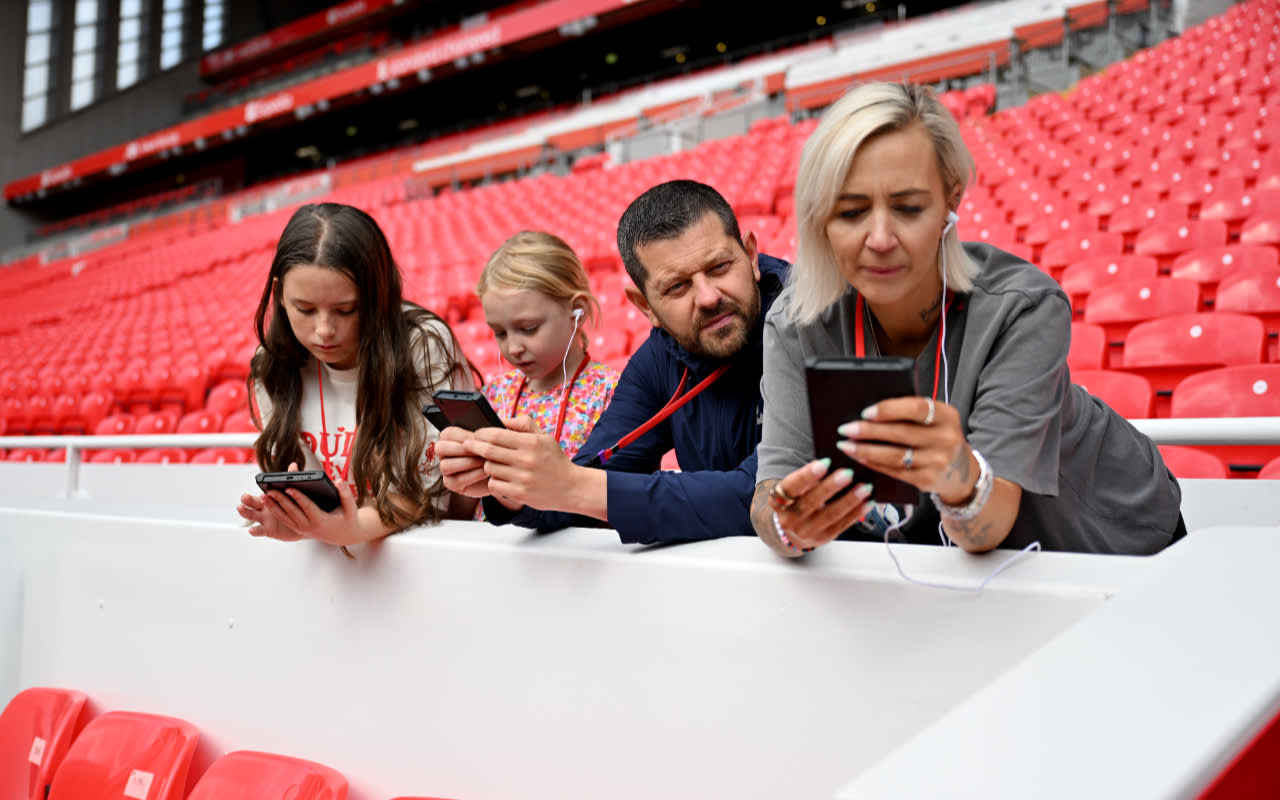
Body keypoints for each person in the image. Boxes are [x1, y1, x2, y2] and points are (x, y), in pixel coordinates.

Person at [751, 82, 1184, 557]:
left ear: (950, 202)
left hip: (1117, 543)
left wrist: (957, 475)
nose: (880, 238)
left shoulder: (1021, 306)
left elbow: (989, 525)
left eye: (908, 208)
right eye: (852, 212)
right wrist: (787, 525)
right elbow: (770, 494)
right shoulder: (793, 323)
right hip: (964, 572)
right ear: (820, 219)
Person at [438, 180, 789, 544]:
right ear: (645, 306)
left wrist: (572, 486)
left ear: (750, 255)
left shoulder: (806, 325)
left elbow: (770, 492)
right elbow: (595, 473)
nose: (708, 297)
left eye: (719, 267)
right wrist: (515, 485)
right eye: (677, 287)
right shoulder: (658, 359)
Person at [238, 202, 480, 551]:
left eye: (346, 310)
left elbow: (426, 492)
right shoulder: (271, 365)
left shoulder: (422, 344)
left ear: (379, 295)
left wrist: (346, 528)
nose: (324, 330)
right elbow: (312, 495)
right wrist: (295, 517)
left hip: (429, 553)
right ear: (279, 295)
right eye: (305, 309)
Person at [471, 231, 621, 518]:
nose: (513, 348)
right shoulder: (495, 394)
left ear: (577, 312)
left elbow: (618, 498)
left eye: (528, 328)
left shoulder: (610, 394)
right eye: (499, 333)